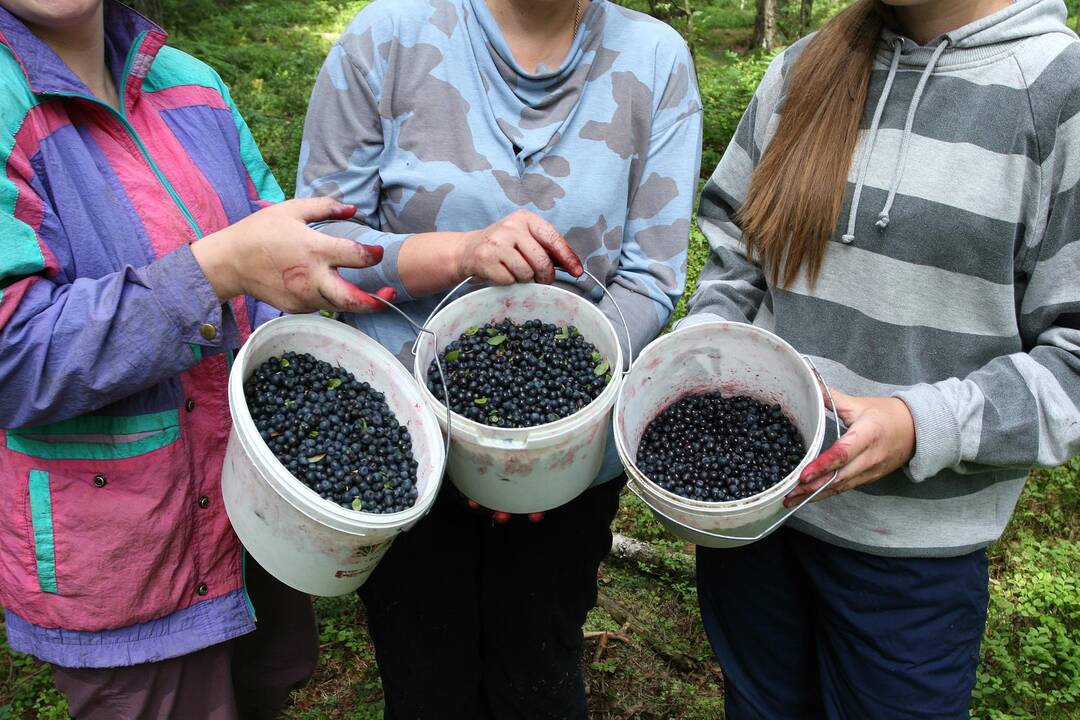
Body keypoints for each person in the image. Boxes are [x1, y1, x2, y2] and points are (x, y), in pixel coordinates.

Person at [296, 0, 702, 716]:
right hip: (408, 444)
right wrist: (458, 253)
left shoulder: (655, 58)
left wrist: (541, 444)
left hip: (568, 460)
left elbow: (650, 277)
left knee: (539, 670)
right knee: (426, 681)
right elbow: (321, 254)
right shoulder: (386, 40)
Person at [682, 0, 1080, 716]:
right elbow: (735, 256)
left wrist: (917, 424)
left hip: (910, 563)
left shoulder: (1059, 93)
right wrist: (706, 359)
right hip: (751, 523)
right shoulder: (803, 69)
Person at [0, 1, 394, 717]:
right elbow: (12, 363)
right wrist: (215, 269)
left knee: (268, 686)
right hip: (127, 566)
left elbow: (275, 253)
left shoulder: (193, 84)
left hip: (255, 518)